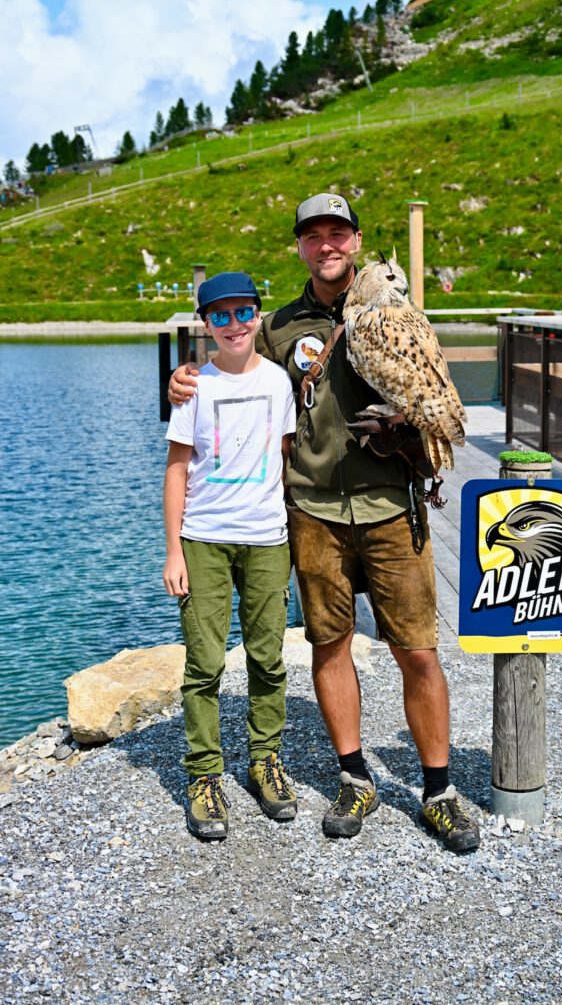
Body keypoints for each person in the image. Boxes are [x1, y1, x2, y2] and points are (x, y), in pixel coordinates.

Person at [170, 196, 480, 853]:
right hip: (311, 511)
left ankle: (438, 790)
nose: (326, 245)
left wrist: (411, 430)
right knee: (329, 645)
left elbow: (432, 388)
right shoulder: (280, 327)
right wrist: (182, 379)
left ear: (357, 241)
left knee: (417, 650)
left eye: (338, 233)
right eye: (313, 236)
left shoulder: (394, 312)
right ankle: (354, 777)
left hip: (390, 505)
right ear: (300, 248)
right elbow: (236, 373)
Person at [163, 271, 298, 841]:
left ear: (258, 315)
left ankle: (265, 761)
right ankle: (203, 774)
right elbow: (176, 470)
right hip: (204, 539)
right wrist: (173, 550)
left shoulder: (280, 383)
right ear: (206, 324)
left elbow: (284, 458)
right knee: (205, 664)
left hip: (267, 539)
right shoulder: (195, 387)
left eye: (244, 312)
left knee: (268, 658)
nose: (234, 324)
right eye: (220, 315)